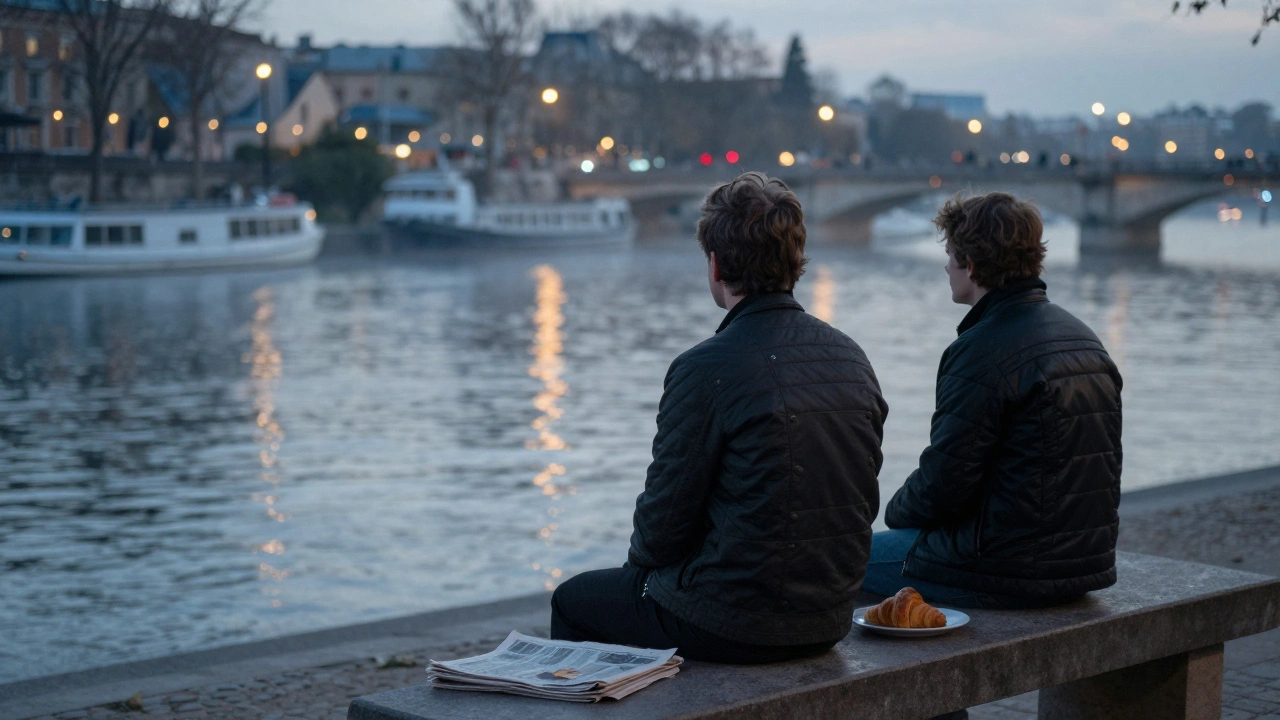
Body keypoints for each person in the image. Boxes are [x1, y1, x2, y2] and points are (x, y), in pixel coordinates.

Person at [550, 172, 888, 664]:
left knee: (574, 600)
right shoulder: (851, 357)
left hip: (734, 620)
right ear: (796, 262)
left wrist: (643, 578)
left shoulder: (706, 367)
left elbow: (662, 527)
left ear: (714, 265)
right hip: (828, 616)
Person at [865, 192, 1124, 611]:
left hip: (1010, 568)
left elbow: (945, 482)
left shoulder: (982, 349)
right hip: (1085, 562)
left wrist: (896, 513)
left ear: (971, 264)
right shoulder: (1083, 336)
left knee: (846, 567)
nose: (946, 267)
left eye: (951, 256)